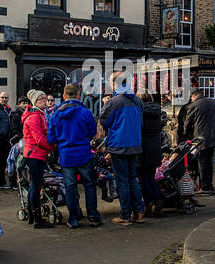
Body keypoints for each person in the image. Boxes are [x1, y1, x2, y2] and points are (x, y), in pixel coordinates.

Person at [48, 83, 102, 228]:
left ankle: (73, 218)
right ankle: (92, 216)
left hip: (66, 155)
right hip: (83, 153)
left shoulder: (56, 114)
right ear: (79, 95)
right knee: (89, 185)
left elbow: (51, 138)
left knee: (70, 187)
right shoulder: (85, 112)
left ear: (65, 96)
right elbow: (92, 132)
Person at [99, 72, 145, 224]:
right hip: (135, 145)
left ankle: (125, 215)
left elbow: (104, 122)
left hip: (119, 146)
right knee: (133, 179)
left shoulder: (114, 102)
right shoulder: (137, 100)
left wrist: (106, 103)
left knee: (122, 181)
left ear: (115, 83)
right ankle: (139, 212)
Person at [178, 88, 215, 195]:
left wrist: (185, 134)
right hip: (213, 137)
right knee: (209, 162)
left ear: (194, 95)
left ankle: (205, 187)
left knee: (202, 162)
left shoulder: (195, 105)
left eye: (191, 97)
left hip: (200, 138)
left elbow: (187, 123)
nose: (191, 99)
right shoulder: (213, 103)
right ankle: (209, 185)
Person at [20, 90, 53, 229]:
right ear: (34, 101)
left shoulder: (40, 114)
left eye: (45, 98)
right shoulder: (34, 117)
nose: (45, 101)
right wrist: (54, 147)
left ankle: (32, 215)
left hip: (36, 154)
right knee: (35, 186)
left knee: (34, 185)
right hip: (35, 155)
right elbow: (40, 139)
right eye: (41, 99)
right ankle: (37, 218)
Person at [139, 92, 167, 216]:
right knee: (151, 177)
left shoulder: (140, 112)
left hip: (142, 147)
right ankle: (158, 204)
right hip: (155, 147)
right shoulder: (157, 111)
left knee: (143, 179)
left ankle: (149, 205)